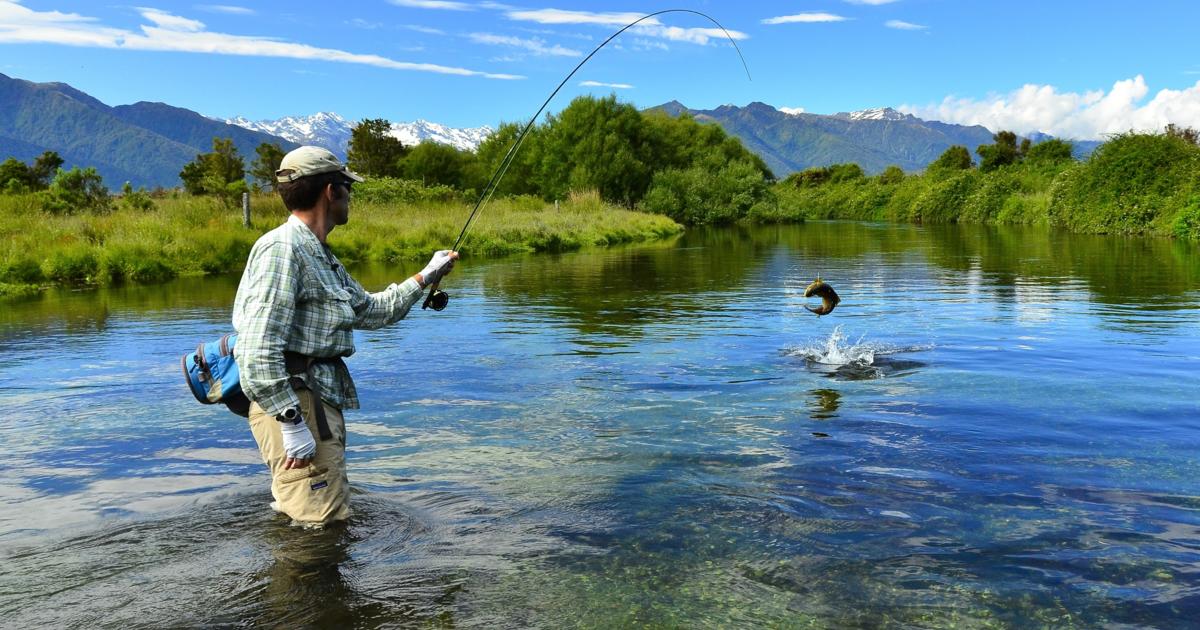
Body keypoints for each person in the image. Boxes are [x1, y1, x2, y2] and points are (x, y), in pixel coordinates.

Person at [232, 145, 456, 525]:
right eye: (347, 187)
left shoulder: (318, 254)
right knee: (318, 528)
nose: (351, 196)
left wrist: (427, 276)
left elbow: (370, 310)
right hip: (297, 404)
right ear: (330, 192)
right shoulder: (282, 251)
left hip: (312, 401)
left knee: (313, 517)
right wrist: (291, 423)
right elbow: (255, 351)